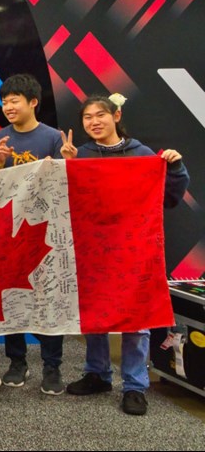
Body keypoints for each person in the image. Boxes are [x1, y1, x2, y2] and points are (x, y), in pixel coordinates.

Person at [61, 94, 190, 415]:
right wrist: (66, 166)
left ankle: (134, 386)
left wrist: (175, 167)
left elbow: (170, 198)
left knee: (137, 318)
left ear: (116, 115)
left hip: (133, 250)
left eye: (100, 115)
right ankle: (97, 374)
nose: (94, 122)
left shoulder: (142, 154)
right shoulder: (81, 155)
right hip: (92, 249)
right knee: (93, 313)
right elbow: (64, 203)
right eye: (87, 117)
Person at [0, 73, 65, 396]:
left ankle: (52, 366)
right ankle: (17, 362)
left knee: (48, 299)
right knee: (12, 297)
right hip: (9, 233)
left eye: (14, 100)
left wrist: (61, 165)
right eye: (4, 101)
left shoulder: (54, 138)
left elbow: (63, 188)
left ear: (33, 102)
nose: (8, 106)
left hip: (44, 234)